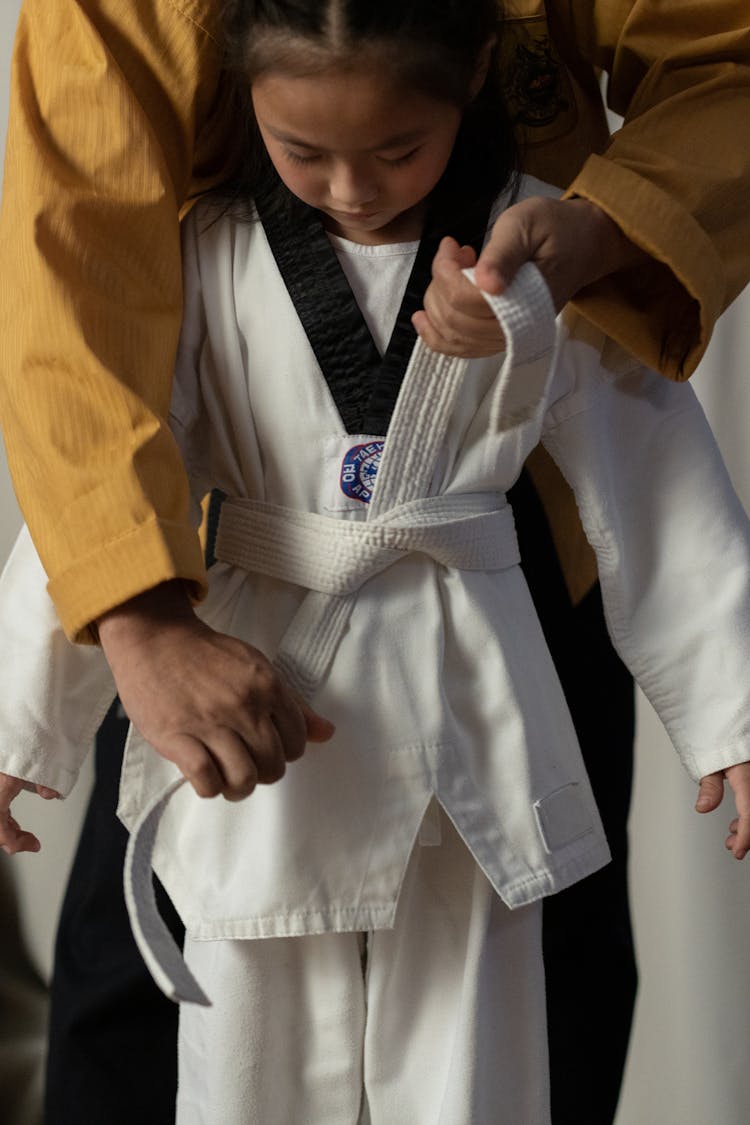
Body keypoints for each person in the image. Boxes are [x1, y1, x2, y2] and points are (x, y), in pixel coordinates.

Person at [0, 1, 749, 1122]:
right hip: (242, 656)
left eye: (398, 151)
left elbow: (658, 484)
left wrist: (734, 714)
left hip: (480, 686)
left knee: (497, 1046)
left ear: (476, 78)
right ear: (243, 91)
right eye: (304, 153)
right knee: (222, 1044)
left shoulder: (530, 251)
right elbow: (93, 365)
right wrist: (51, 704)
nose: (352, 189)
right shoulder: (205, 251)